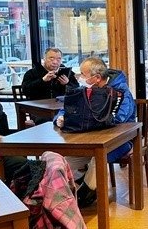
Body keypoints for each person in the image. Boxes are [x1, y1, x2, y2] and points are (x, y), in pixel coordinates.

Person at [54, 56, 136, 207]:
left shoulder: (120, 92)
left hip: (119, 142)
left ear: (97, 77)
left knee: (97, 159)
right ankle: (74, 187)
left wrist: (91, 121)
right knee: (62, 161)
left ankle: (85, 195)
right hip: (88, 141)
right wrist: (60, 118)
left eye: (83, 75)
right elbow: (65, 108)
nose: (80, 78)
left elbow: (120, 119)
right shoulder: (85, 90)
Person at [21, 47, 78, 122]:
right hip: (39, 109)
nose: (55, 62)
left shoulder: (67, 73)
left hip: (62, 108)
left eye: (58, 59)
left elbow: (77, 90)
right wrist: (42, 80)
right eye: (51, 58)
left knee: (75, 118)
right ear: (44, 59)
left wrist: (67, 83)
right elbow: (25, 90)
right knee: (45, 120)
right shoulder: (32, 73)